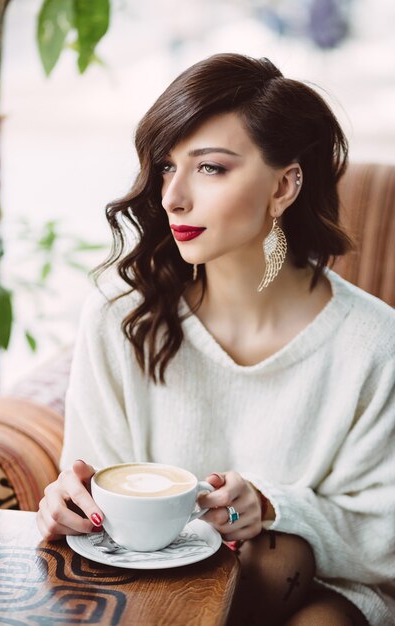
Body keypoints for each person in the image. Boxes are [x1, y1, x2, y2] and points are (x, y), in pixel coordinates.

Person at [36, 53, 395, 625]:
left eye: (210, 168)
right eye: (166, 167)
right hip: (154, 589)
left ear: (284, 185)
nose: (173, 197)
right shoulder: (119, 318)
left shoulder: (373, 342)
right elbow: (97, 488)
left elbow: (382, 536)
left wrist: (274, 508)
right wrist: (69, 503)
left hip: (327, 586)